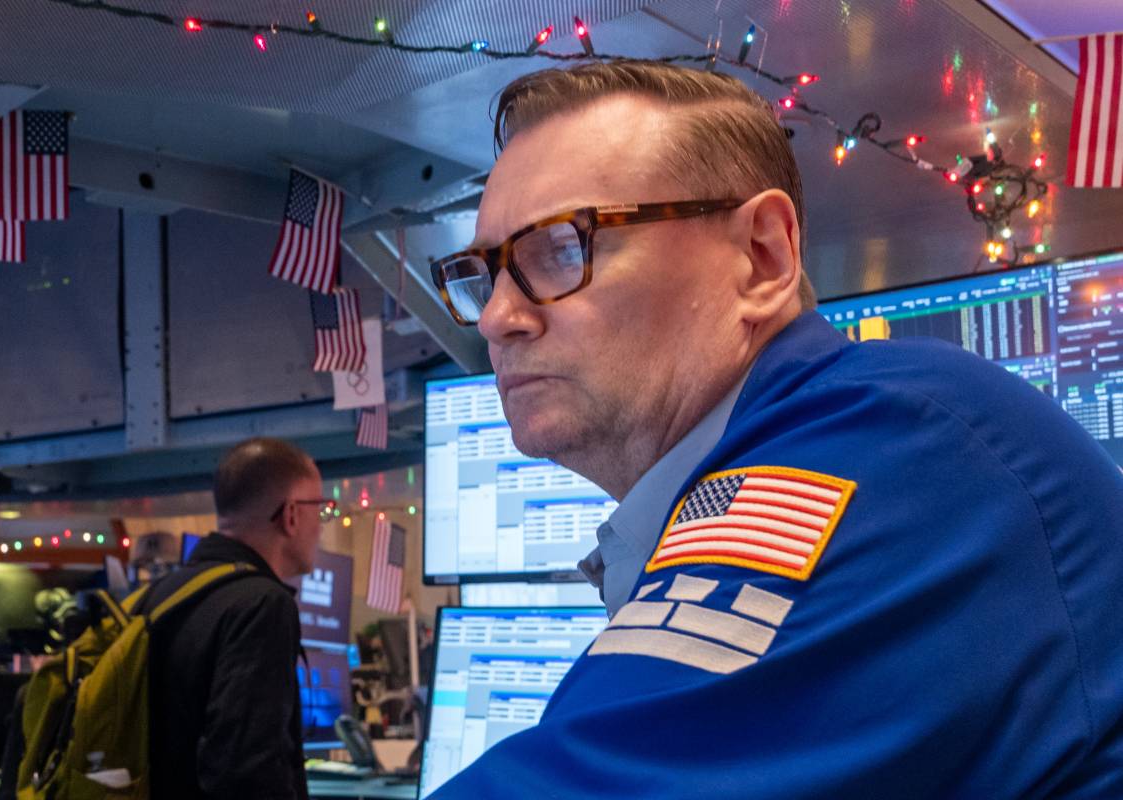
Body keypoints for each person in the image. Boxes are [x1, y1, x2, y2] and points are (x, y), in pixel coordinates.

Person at [423, 60, 1123, 797]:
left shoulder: (896, 440)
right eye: (486, 271)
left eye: (563, 248)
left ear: (762, 257)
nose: (499, 317)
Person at [142, 437, 328, 799]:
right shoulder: (262, 605)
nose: (321, 525)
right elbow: (246, 773)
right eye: (320, 509)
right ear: (291, 515)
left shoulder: (163, 594)